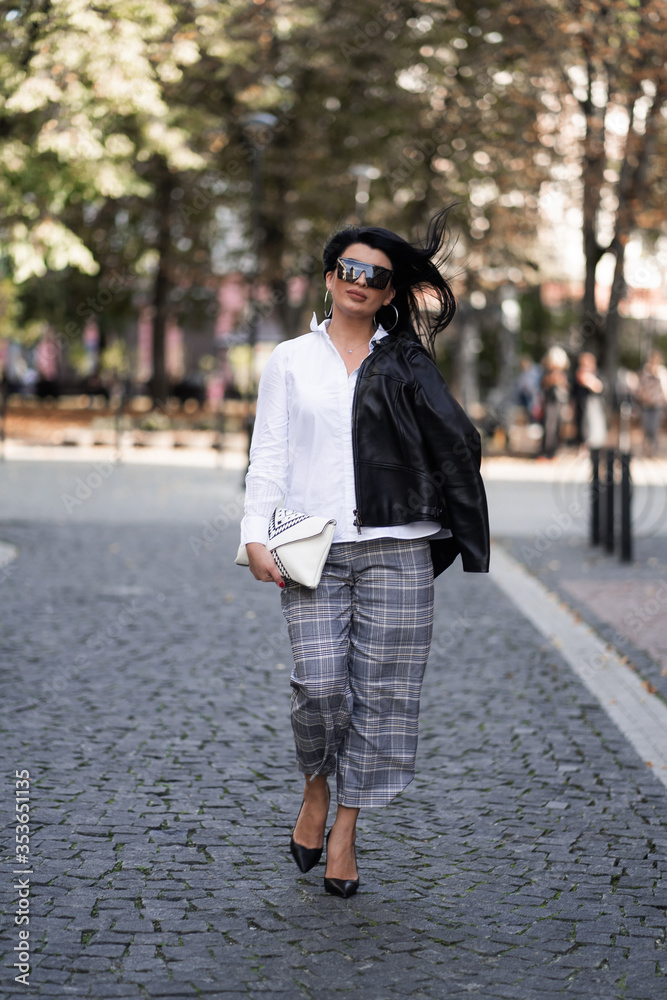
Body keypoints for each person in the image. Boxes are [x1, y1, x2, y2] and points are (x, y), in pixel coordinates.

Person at [237, 210, 490, 898]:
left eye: (375, 277)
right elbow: (269, 454)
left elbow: (455, 443)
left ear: (387, 294)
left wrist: (451, 520)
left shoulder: (407, 362)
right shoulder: (289, 359)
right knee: (318, 687)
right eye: (349, 269)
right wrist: (253, 534)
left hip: (396, 549)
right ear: (329, 278)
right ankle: (315, 789)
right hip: (307, 544)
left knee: (382, 698)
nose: (360, 282)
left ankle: (345, 829)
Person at [539, 345, 570, 458]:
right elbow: (543, 384)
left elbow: (566, 386)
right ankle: (546, 451)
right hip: (549, 402)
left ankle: (554, 451)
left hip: (559, 402)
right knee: (549, 426)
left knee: (558, 427)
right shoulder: (546, 372)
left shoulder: (562, 373)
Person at [573, 351, 606, 450]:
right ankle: (583, 445)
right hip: (581, 404)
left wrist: (590, 382)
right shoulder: (578, 374)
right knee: (582, 425)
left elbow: (601, 388)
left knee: (594, 426)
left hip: (593, 404)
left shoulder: (597, 374)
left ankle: (594, 447)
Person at [638, 350, 667, 456]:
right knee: (646, 425)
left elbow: (664, 387)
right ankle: (647, 447)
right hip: (646, 403)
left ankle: (653, 448)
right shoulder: (645, 371)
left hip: (657, 403)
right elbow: (641, 387)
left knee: (654, 426)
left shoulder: (662, 372)